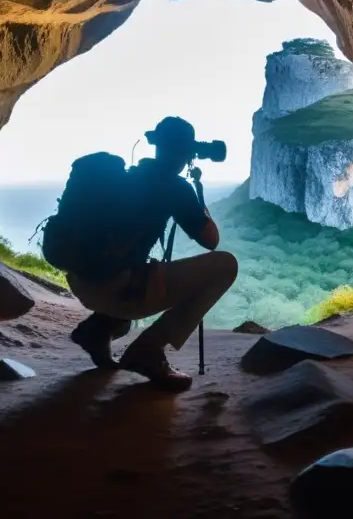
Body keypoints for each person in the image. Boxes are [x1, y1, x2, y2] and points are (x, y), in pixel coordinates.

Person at [66, 117, 238, 392]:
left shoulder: (130, 176)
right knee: (225, 266)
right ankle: (148, 350)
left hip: (80, 281)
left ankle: (96, 330)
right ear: (185, 153)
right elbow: (211, 240)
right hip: (116, 290)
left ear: (157, 145)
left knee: (133, 267)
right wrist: (198, 200)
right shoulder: (174, 187)